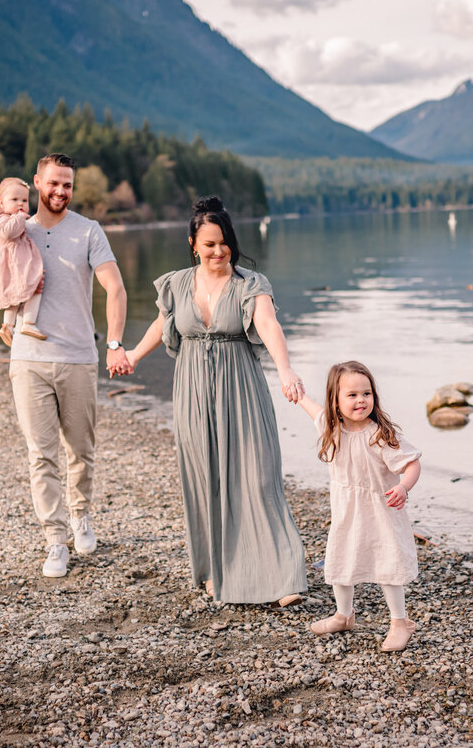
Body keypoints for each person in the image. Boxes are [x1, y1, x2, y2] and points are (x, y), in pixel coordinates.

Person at [126, 196, 308, 606]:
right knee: (205, 478)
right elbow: (162, 323)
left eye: (224, 242)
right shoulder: (175, 283)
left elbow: (268, 324)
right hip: (191, 388)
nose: (218, 251)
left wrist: (285, 369)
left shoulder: (250, 284)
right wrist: (134, 356)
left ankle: (281, 579)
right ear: (193, 243)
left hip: (240, 385)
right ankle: (216, 573)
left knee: (258, 476)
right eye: (209, 244)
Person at [8, 153, 133, 578]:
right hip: (29, 359)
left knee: (80, 450)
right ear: (36, 184)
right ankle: (54, 540)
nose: (60, 191)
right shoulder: (18, 229)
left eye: (67, 185)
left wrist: (115, 343)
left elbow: (114, 288)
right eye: (53, 183)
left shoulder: (88, 231)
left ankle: (80, 515)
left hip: (79, 356)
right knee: (40, 455)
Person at [295, 360, 422, 651]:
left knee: (387, 564)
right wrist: (298, 394)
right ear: (336, 401)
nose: (361, 400)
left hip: (381, 512)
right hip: (347, 513)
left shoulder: (380, 435)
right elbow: (312, 409)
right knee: (341, 561)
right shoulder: (331, 427)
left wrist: (403, 486)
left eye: (366, 393)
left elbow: (412, 463)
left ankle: (399, 622)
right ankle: (343, 614)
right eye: (352, 395)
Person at [0, 177, 46, 346]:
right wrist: (19, 218)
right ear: (1, 202)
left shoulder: (10, 217)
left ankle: (8, 326)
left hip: (13, 264)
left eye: (24, 200)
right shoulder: (4, 218)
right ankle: (28, 322)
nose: (20, 204)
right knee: (35, 283)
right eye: (15, 200)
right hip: (13, 264)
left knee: (16, 295)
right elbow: (8, 233)